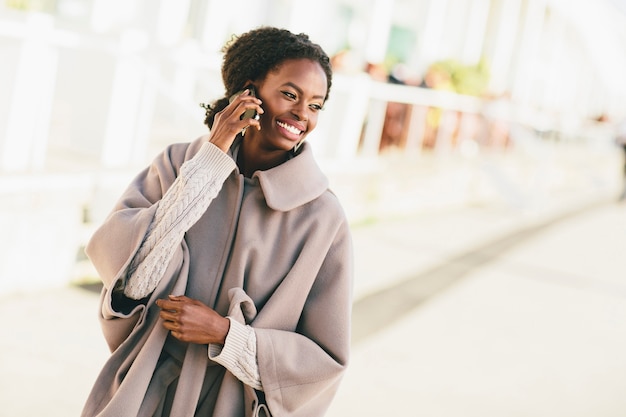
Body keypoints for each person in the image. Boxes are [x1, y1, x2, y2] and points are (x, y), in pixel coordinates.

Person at [81, 26, 353, 417]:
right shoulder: (177, 165)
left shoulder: (322, 217)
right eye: (290, 95)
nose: (302, 115)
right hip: (142, 396)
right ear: (250, 90)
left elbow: (324, 361)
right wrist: (210, 161)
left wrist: (227, 336)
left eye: (315, 105)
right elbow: (131, 281)